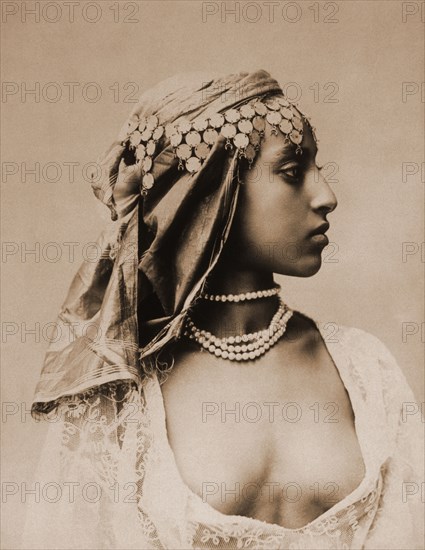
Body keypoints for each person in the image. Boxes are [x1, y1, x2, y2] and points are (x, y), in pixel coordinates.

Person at [22, 70, 423, 549]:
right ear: (210, 190)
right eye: (293, 173)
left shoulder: (363, 367)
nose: (326, 196)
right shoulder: (125, 391)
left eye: (317, 170)